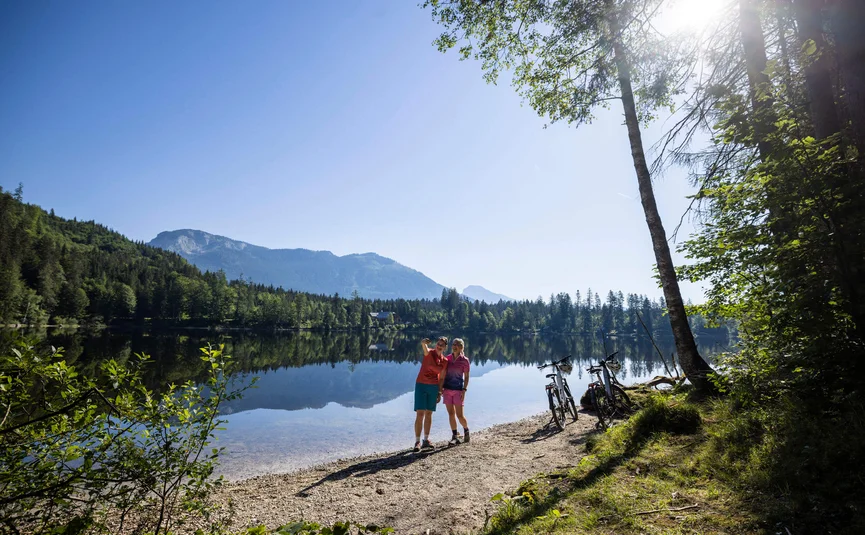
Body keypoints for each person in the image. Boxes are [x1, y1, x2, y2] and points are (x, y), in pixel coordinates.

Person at [413, 336, 448, 452]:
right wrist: (423, 343)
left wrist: (439, 391)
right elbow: (425, 348)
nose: (439, 346)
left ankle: (426, 440)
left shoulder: (444, 361)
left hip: (433, 387)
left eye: (442, 345)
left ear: (445, 348)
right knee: (420, 413)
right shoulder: (430, 353)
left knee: (429, 414)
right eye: (438, 343)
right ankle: (417, 441)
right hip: (421, 385)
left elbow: (442, 377)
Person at [442, 338, 471, 445]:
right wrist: (440, 388)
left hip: (459, 390)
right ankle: (455, 436)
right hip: (447, 390)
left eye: (457, 345)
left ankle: (466, 429)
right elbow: (443, 374)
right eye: (453, 344)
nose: (454, 346)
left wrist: (464, 390)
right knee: (451, 414)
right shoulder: (447, 358)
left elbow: (467, 377)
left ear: (461, 348)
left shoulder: (465, 360)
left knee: (460, 416)